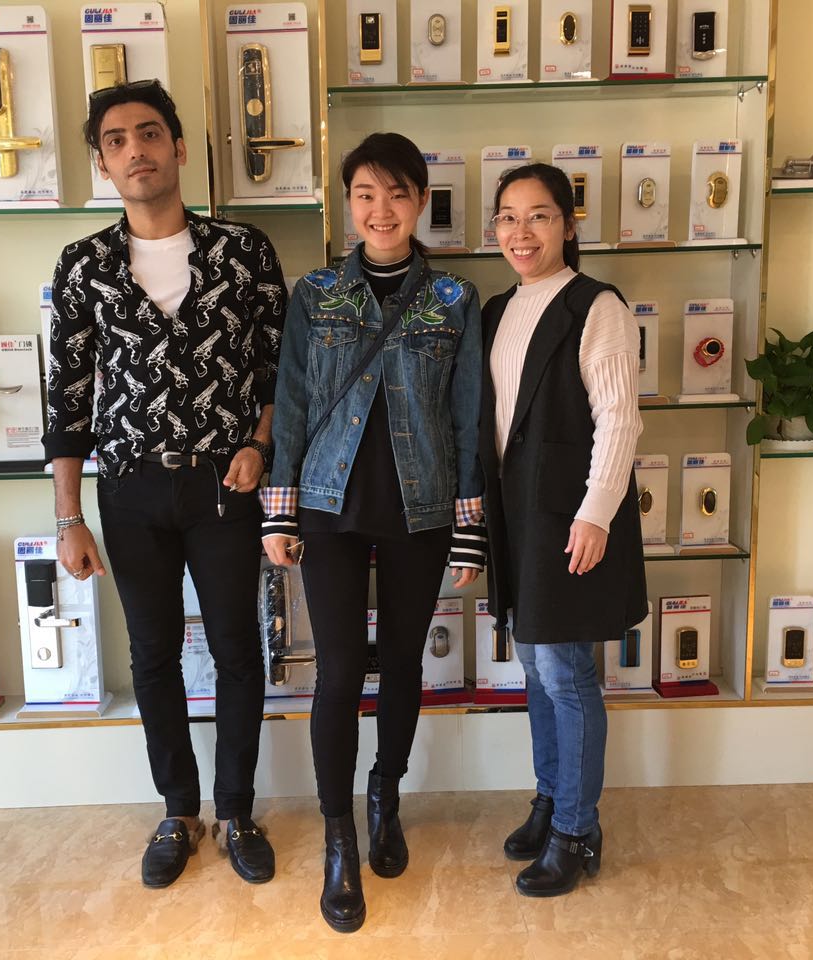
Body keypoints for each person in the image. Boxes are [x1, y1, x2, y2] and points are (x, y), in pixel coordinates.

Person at [43, 80, 286, 890]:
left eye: (149, 134)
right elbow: (67, 398)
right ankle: (179, 810)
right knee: (153, 653)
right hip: (130, 490)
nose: (135, 150)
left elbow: (277, 369)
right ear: (102, 163)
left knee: (237, 650)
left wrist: (259, 445)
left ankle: (237, 808)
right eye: (116, 141)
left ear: (178, 148)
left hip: (223, 487)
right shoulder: (84, 267)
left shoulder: (243, 253)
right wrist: (68, 516)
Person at [261, 132, 485, 933]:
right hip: (330, 505)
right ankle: (338, 836)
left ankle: (385, 794)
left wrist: (469, 527)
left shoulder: (455, 300)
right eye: (364, 194)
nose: (380, 210)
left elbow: (468, 417)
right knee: (338, 673)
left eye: (396, 193)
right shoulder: (316, 293)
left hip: (422, 506)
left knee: (400, 664)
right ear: (347, 203)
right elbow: (291, 401)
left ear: (420, 200)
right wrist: (279, 509)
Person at [479, 162, 647, 897]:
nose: (521, 232)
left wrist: (595, 512)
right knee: (536, 667)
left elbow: (619, 417)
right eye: (508, 217)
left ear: (568, 224)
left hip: (568, 516)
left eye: (539, 215)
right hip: (515, 513)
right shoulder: (497, 309)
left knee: (566, 674)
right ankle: (551, 802)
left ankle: (577, 830)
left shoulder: (595, 305)